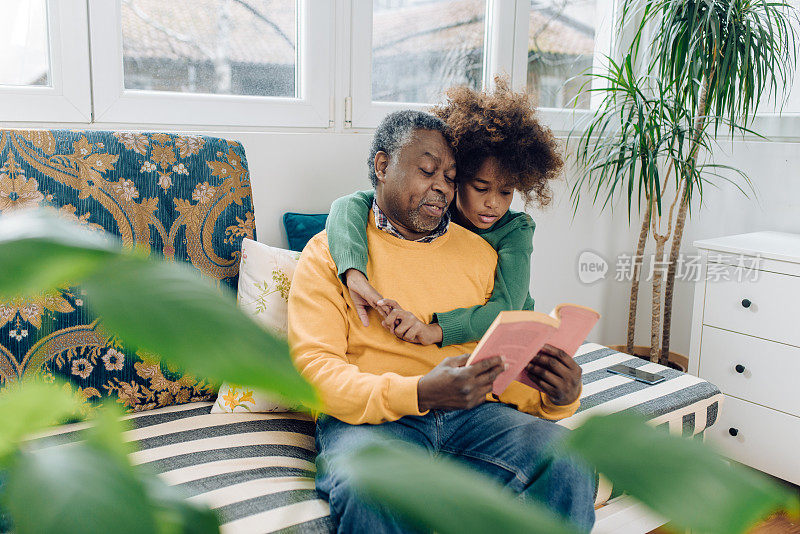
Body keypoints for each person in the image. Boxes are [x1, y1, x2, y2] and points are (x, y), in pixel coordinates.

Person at [288, 110, 595, 534]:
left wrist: (557, 396)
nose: (441, 187)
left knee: (570, 458)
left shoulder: (482, 255)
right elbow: (316, 375)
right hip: (374, 425)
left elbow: (502, 365)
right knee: (375, 488)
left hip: (474, 418)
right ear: (382, 166)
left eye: (450, 177)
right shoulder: (332, 255)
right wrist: (418, 391)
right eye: (428, 170)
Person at [325, 78, 563, 349]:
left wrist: (436, 330)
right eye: (481, 188)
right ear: (459, 181)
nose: (493, 204)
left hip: (513, 335)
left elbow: (507, 309)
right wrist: (353, 272)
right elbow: (349, 204)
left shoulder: (515, 231)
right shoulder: (438, 207)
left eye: (506, 192)